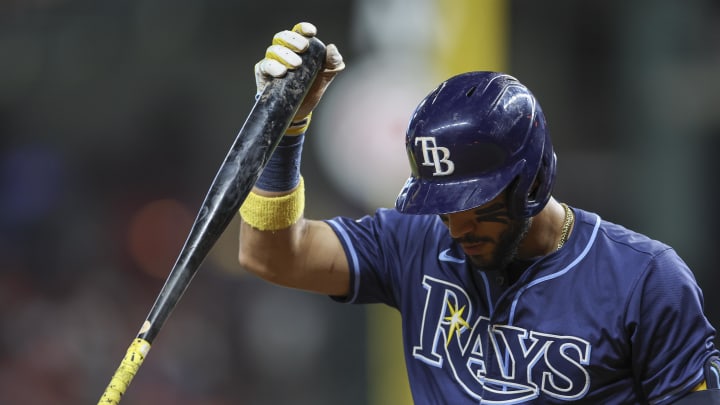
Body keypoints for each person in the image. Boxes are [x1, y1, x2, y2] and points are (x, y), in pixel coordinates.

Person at [237, 22, 720, 404]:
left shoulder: (645, 278)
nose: (456, 224)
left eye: (474, 204)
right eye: (441, 204)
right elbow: (272, 257)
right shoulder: (417, 241)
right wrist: (284, 133)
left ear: (531, 181)